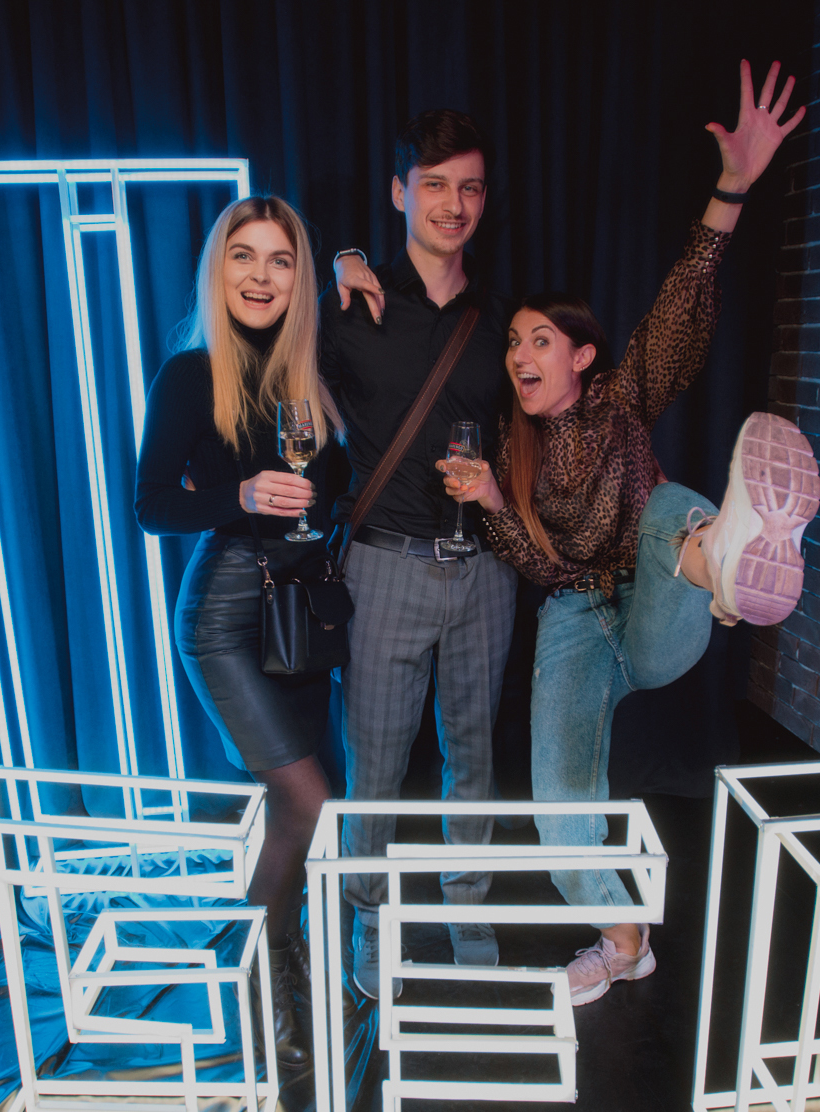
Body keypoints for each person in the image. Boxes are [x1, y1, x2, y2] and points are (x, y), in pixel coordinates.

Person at [441, 60, 817, 1005]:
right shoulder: (508, 450)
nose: (520, 354)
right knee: (557, 810)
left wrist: (732, 188)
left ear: (582, 355)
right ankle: (624, 943)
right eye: (513, 342)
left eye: (540, 339)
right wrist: (491, 502)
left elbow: (682, 302)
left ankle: (721, 558)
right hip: (577, 624)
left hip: (660, 608)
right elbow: (538, 567)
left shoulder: (620, 400)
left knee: (666, 507)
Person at [136, 195, 343, 1068]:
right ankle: (265, 973)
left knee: (297, 806)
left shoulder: (308, 377)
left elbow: (328, 493)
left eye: (280, 260)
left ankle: (281, 955)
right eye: (244, 257)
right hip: (225, 614)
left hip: (299, 615)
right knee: (309, 803)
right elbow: (150, 504)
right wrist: (243, 495)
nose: (261, 275)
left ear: (299, 278)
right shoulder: (191, 374)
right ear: (218, 271)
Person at [319, 109, 517, 1000]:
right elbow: (270, 358)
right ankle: (370, 918)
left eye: (469, 187)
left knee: (474, 757)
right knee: (377, 764)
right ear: (400, 192)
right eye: (434, 185)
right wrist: (337, 260)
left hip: (484, 570)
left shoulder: (503, 319)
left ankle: (467, 912)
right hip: (384, 564)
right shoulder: (351, 306)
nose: (453, 203)